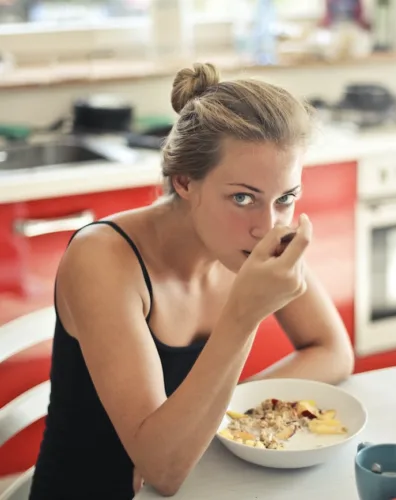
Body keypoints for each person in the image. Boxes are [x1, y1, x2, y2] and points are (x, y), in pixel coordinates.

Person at [29, 62, 354, 499]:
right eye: (242, 197)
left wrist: (208, 418)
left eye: (286, 198)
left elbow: (333, 351)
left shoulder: (255, 237)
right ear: (184, 181)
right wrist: (244, 315)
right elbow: (162, 470)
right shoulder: (104, 259)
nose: (267, 226)